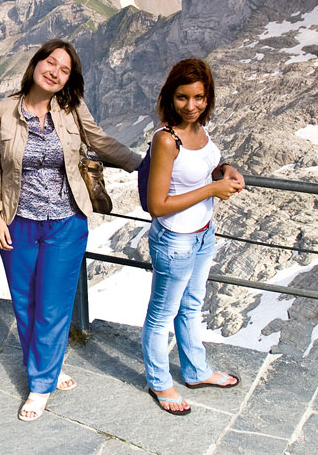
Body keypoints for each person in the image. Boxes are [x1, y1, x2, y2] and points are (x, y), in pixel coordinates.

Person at [0, 39, 142, 422]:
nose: (54, 71)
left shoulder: (71, 110)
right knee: (25, 302)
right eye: (50, 62)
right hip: (18, 221)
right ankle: (48, 367)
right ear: (36, 64)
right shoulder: (2, 111)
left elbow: (100, 141)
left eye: (64, 69)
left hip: (67, 221)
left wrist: (145, 164)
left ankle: (39, 386)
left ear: (69, 79)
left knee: (52, 304)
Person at [142, 58, 244, 415]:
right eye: (183, 98)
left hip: (202, 233)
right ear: (171, 97)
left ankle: (196, 371)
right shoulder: (167, 139)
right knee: (162, 314)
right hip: (175, 241)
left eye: (199, 97)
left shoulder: (200, 129)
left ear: (207, 97)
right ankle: (159, 382)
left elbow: (202, 168)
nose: (191, 106)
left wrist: (224, 169)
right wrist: (213, 190)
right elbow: (158, 204)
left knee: (191, 306)